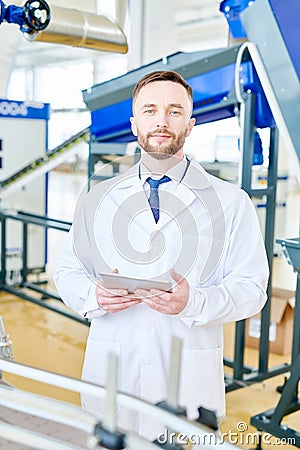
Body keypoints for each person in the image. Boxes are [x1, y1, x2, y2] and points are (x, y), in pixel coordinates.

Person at [54, 70, 269, 440]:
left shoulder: (232, 203)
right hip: (113, 372)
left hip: (188, 381)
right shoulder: (97, 198)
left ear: (191, 122)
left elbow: (253, 289)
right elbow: (66, 270)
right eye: (150, 110)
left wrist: (195, 301)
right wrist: (95, 296)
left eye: (174, 111)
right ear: (135, 123)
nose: (161, 121)